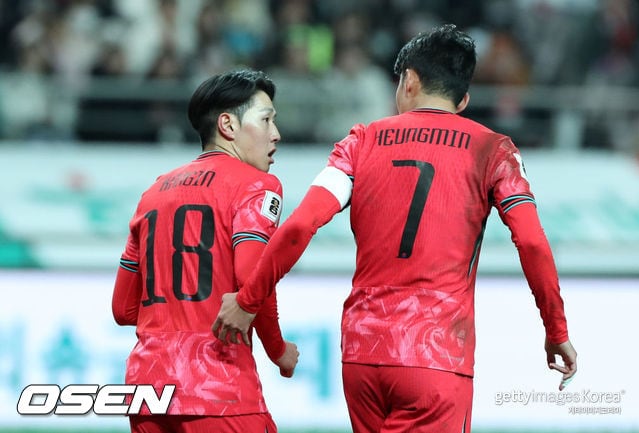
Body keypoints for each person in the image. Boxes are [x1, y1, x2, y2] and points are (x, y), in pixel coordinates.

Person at [213, 25, 577, 433]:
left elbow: (300, 225)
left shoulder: (361, 141)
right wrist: (555, 329)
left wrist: (248, 301)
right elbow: (531, 242)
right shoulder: (493, 149)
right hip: (437, 356)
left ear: (410, 81)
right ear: (463, 100)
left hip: (362, 357)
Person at [111, 69, 299, 433]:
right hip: (217, 388)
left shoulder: (153, 194)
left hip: (147, 389)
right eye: (266, 120)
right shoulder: (257, 185)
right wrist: (278, 350)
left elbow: (123, 309)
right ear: (228, 125)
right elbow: (252, 278)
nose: (276, 133)